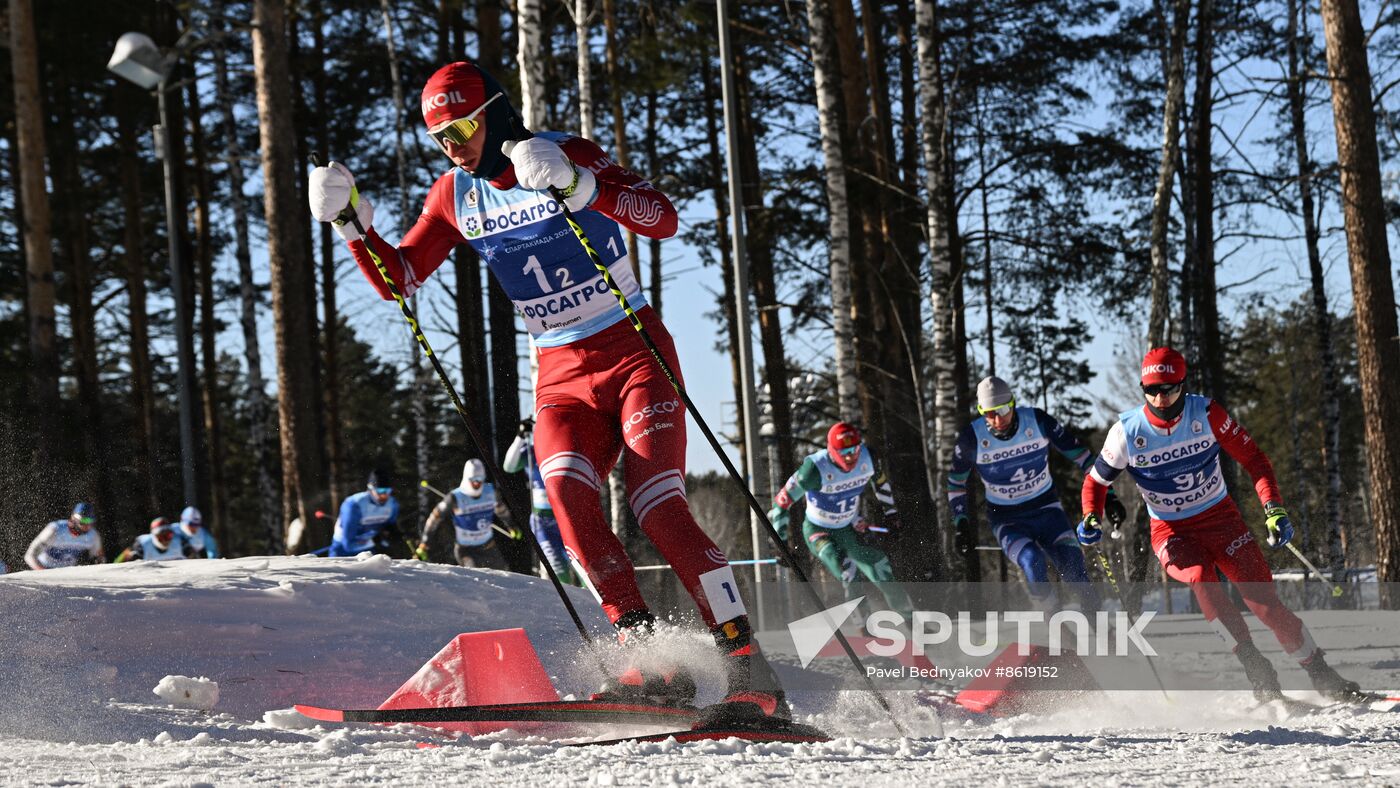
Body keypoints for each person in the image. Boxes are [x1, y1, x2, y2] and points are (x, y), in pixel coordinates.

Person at [307, 60, 785, 727]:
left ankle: (748, 668)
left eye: (463, 128)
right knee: (563, 503)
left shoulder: (563, 152)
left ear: (495, 113)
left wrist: (582, 185)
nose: (453, 147)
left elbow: (663, 218)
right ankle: (652, 661)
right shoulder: (453, 196)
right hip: (560, 373)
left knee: (658, 508)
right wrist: (353, 224)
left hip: (634, 350)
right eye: (439, 137)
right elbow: (402, 278)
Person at [1079, 347, 1363, 703]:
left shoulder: (1207, 414)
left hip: (1222, 520)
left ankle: (1321, 673)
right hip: (1171, 531)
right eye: (1151, 389)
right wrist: (1090, 514)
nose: (1160, 397)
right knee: (1199, 576)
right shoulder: (1126, 432)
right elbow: (1095, 483)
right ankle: (1257, 671)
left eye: (1169, 388)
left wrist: (1273, 508)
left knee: (1265, 605)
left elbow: (1255, 459)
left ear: (1183, 384)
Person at [947, 376, 1115, 610]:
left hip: (1047, 510)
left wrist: (1111, 496)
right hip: (1007, 519)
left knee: (1073, 566)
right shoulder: (972, 438)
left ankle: (1100, 626)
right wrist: (961, 523)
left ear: (1013, 404)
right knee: (1032, 560)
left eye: (1003, 409)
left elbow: (1084, 458)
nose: (997, 420)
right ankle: (1055, 624)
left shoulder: (1036, 421)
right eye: (989, 413)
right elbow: (956, 484)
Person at [768, 422, 914, 619]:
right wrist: (781, 542)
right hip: (818, 529)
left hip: (848, 527)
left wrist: (892, 515)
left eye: (854, 449)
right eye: (844, 451)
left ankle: (912, 622)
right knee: (848, 570)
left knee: (881, 568)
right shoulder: (814, 469)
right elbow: (781, 502)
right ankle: (863, 628)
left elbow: (880, 483)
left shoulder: (868, 458)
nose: (850, 456)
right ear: (831, 449)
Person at [502, 417, 576, 583]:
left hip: (567, 520)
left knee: (585, 573)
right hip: (543, 523)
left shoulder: (564, 447)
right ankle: (568, 605)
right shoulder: (531, 452)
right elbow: (509, 466)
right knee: (558, 571)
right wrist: (520, 437)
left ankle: (593, 606)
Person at [418, 459, 509, 570]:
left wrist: (511, 526)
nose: (477, 483)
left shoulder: (490, 492)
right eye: (473, 479)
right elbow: (435, 518)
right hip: (467, 550)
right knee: (478, 579)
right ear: (467, 478)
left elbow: (501, 510)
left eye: (480, 479)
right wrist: (425, 543)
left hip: (488, 547)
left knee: (505, 578)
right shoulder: (455, 497)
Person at [330, 468, 403, 557]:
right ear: (370, 489)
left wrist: (393, 536)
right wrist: (376, 541)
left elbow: (389, 527)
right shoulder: (354, 505)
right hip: (342, 551)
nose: (384, 495)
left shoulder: (393, 504)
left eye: (388, 490)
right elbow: (348, 545)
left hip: (368, 549)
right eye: (380, 491)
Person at [25, 503, 104, 570]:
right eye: (84, 521)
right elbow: (30, 555)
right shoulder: (55, 530)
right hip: (43, 569)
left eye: (90, 521)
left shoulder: (93, 536)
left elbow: (99, 560)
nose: (87, 525)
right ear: (73, 518)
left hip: (67, 574)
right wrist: (43, 573)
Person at [115, 517, 194, 563]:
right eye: (161, 537)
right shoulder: (142, 545)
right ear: (153, 536)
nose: (165, 541)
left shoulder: (182, 543)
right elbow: (122, 561)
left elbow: (196, 563)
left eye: (168, 536)